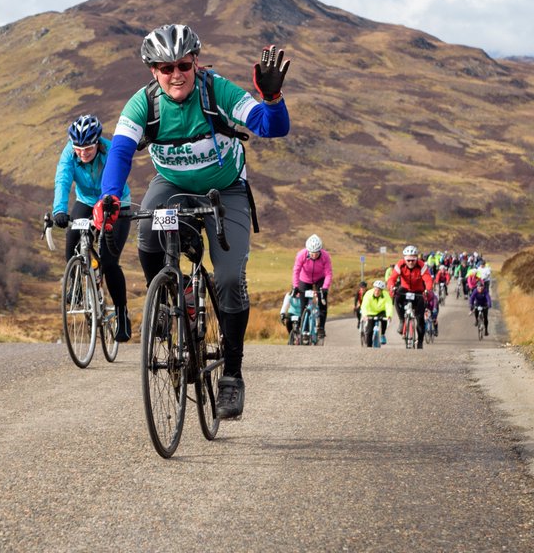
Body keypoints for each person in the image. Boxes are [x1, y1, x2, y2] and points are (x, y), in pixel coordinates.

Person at [93, 23, 290, 420]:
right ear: (153, 71)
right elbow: (120, 152)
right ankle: (173, 294)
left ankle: (232, 375)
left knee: (230, 279)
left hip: (226, 190)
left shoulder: (216, 91)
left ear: (196, 62)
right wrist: (110, 196)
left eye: (183, 64)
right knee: (146, 236)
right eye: (165, 68)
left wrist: (271, 98)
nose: (175, 74)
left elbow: (273, 127)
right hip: (172, 185)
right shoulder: (143, 104)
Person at [51, 114, 134, 341]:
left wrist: (108, 204)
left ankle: (121, 313)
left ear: (98, 142)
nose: (82, 153)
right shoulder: (69, 154)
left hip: (115, 202)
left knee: (108, 261)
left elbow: (114, 178)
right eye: (78, 148)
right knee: (72, 240)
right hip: (86, 201)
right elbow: (63, 179)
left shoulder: (110, 151)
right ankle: (77, 286)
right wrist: (59, 210)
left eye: (87, 147)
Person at [387, 244, 434, 349]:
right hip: (405, 288)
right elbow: (392, 278)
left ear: (416, 258)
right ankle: (401, 320)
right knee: (397, 297)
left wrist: (428, 290)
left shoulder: (422, 265)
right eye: (408, 260)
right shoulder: (400, 265)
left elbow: (428, 279)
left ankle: (420, 342)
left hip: (418, 291)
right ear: (404, 259)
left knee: (420, 318)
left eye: (413, 260)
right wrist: (391, 287)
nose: (410, 262)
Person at [291, 234, 333, 337]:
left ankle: (321, 328)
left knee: (322, 303)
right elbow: (296, 271)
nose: (314, 255)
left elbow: (328, 273)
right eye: (312, 253)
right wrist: (295, 286)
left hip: (320, 279)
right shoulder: (301, 254)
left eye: (316, 253)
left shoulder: (325, 256)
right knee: (303, 305)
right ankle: (304, 330)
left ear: (320, 250)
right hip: (304, 279)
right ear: (308, 250)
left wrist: (325, 288)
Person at [359, 280, 393, 347]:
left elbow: (389, 305)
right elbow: (364, 305)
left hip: (381, 312)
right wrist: (365, 315)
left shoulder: (386, 295)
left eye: (379, 290)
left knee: (384, 320)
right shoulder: (368, 294)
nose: (377, 292)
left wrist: (389, 315)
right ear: (373, 288)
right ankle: (369, 347)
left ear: (382, 291)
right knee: (369, 331)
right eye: (376, 289)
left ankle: (383, 334)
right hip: (370, 312)